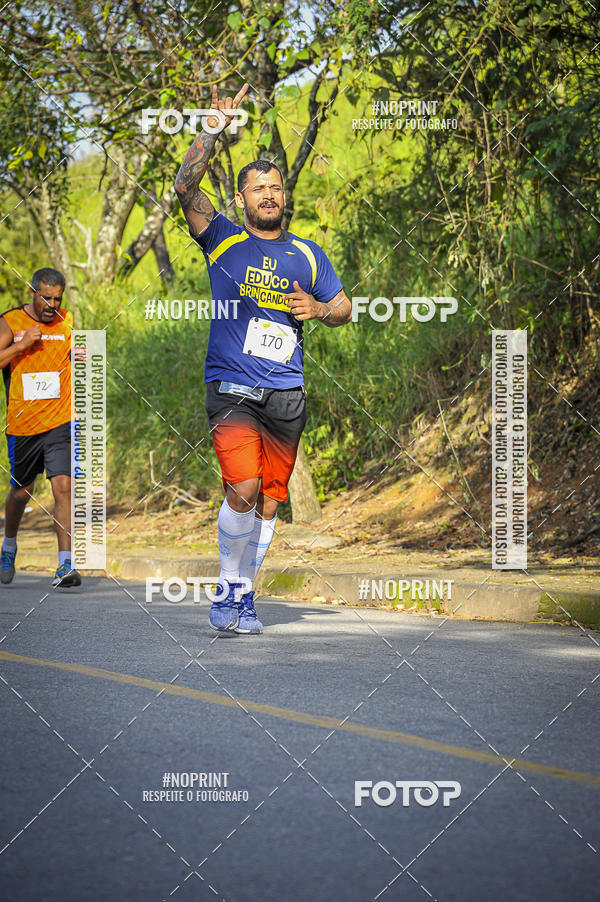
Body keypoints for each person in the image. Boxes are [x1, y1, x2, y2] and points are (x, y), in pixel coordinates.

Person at [174, 83, 351, 635]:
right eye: (257, 189)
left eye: (275, 188)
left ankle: (244, 595)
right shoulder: (222, 239)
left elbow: (345, 307)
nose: (268, 195)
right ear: (243, 200)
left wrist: (320, 309)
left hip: (286, 390)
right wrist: (211, 128)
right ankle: (228, 590)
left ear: (283, 197)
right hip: (231, 386)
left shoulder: (307, 253)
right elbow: (184, 188)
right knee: (243, 488)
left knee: (270, 504)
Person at [0, 267, 81, 588]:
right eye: (46, 297)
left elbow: (73, 357)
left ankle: (65, 565)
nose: (51, 304)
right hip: (23, 424)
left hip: (60, 420)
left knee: (63, 487)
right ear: (32, 292)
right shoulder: (11, 321)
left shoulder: (67, 320)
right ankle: (8, 545)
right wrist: (21, 346)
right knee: (22, 493)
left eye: (57, 299)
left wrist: (81, 355)